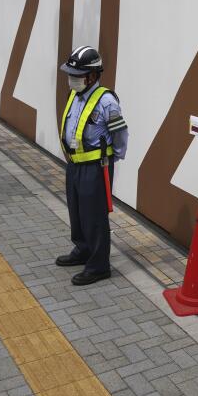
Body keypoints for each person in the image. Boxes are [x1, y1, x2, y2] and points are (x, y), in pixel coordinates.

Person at [56, 45, 128, 286]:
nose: (72, 80)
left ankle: (99, 266)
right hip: (75, 165)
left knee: (94, 216)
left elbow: (120, 134)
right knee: (76, 211)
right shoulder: (76, 96)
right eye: (70, 75)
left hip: (96, 167)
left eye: (77, 76)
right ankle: (83, 249)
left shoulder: (107, 101)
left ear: (93, 76)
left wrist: (111, 158)